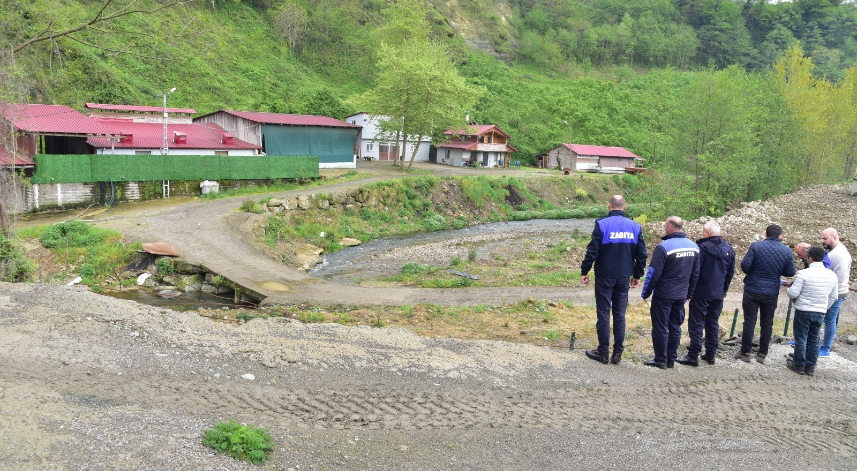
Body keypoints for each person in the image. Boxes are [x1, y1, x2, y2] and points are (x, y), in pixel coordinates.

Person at [580, 195, 647, 365]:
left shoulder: (602, 224)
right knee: (619, 315)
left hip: (604, 275)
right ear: (624, 207)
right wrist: (637, 275)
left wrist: (585, 270)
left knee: (603, 313)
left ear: (609, 206)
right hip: (624, 276)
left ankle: (603, 352)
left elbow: (592, 251)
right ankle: (617, 353)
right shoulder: (635, 226)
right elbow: (641, 255)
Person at [641, 216, 700, 369]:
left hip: (664, 294)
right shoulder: (694, 247)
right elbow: (695, 273)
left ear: (669, 228)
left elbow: (653, 273)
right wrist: (690, 294)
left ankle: (660, 359)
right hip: (681, 294)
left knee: (660, 326)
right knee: (675, 326)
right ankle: (671, 359)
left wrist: (646, 293)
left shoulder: (664, 247)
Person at [676, 221, 735, 367]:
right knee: (712, 323)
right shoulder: (729, 249)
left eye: (703, 232)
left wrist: (689, 290)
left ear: (707, 233)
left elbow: (694, 272)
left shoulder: (701, 249)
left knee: (696, 323)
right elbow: (730, 273)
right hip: (718, 293)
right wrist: (724, 290)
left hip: (701, 292)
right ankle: (711, 354)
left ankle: (693, 355)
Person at [735, 224, 796, 363]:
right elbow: (790, 272)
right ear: (780, 236)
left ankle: (745, 352)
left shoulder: (756, 246)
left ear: (765, 234)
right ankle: (762, 353)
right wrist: (777, 271)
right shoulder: (786, 251)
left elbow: (745, 266)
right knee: (767, 323)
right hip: (771, 291)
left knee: (749, 322)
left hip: (752, 289)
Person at [785, 246, 839, 376]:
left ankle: (798, 365)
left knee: (801, 338)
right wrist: (824, 307)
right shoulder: (832, 275)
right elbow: (834, 296)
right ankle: (810, 367)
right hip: (820, 311)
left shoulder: (804, 273)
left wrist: (788, 290)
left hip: (803, 310)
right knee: (815, 339)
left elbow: (793, 293)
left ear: (810, 258)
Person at [819, 228, 852, 357]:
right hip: (829, 290)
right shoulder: (831, 251)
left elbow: (840, 277)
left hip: (836, 292)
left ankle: (826, 348)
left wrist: (828, 291)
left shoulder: (841, 255)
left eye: (825, 239)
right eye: (822, 238)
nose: (822, 241)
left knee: (829, 320)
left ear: (834, 237)